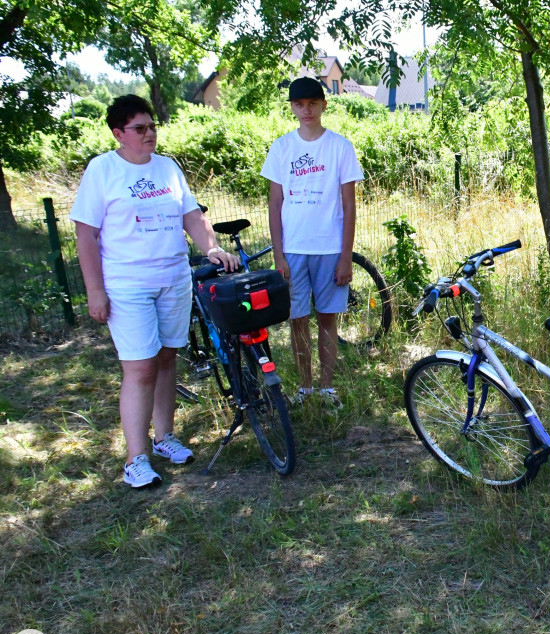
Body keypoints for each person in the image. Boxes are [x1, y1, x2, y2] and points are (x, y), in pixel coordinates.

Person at [72, 95, 240, 489]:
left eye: (152, 126)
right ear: (119, 133)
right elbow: (86, 234)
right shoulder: (103, 170)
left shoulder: (168, 168)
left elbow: (192, 216)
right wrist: (95, 291)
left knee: (166, 359)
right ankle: (136, 458)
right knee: (140, 366)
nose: (149, 134)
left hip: (173, 278)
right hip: (128, 283)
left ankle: (164, 437)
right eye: (140, 128)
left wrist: (211, 248)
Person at [260, 77, 365, 406]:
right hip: (293, 250)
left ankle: (327, 386)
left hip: (330, 248)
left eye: (312, 103)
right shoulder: (282, 148)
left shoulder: (339, 146)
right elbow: (275, 204)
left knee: (327, 318)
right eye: (299, 104)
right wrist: (279, 256)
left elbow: (349, 205)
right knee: (297, 319)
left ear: (324, 105)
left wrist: (345, 257)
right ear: (292, 107)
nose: (306, 110)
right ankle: (305, 388)